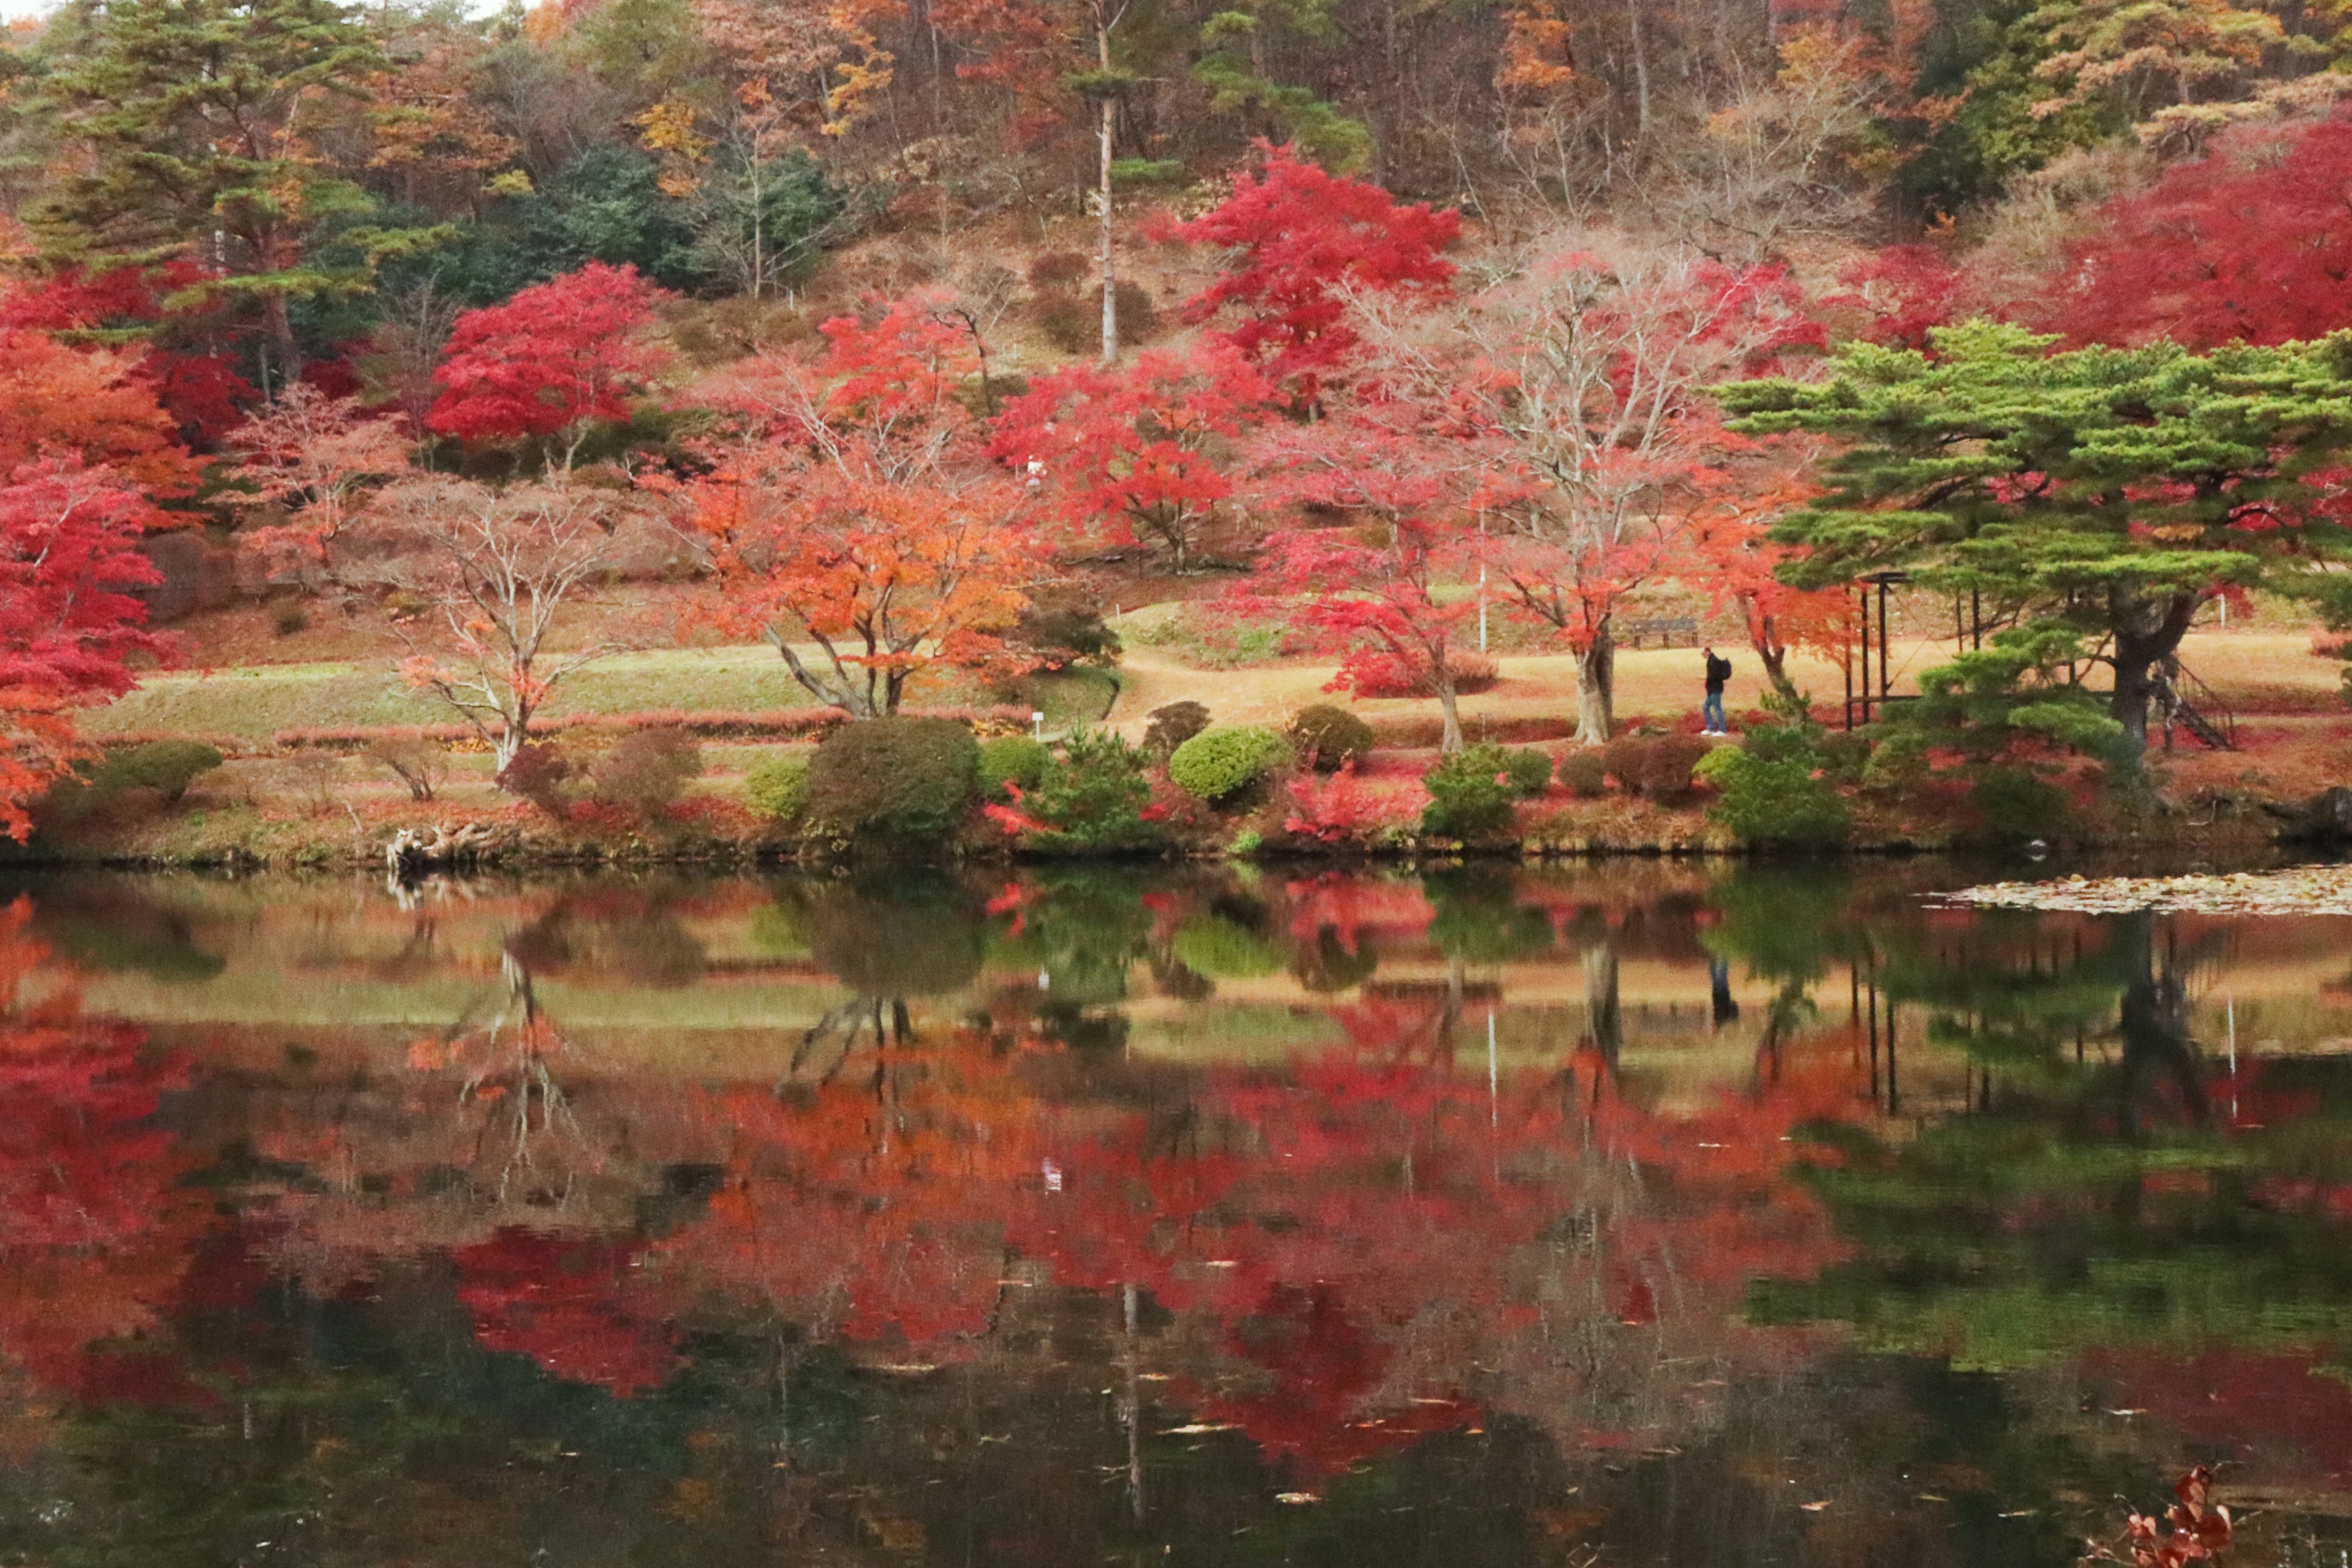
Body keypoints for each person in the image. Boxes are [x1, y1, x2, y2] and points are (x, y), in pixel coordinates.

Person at [1701, 646, 1732, 735]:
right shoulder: (1711, 660)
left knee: (1717, 708)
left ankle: (1722, 729)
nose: (1702, 655)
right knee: (1706, 707)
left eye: (1703, 653)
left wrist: (1708, 678)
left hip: (1716, 689)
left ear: (1707, 651)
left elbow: (1715, 675)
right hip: (1712, 689)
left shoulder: (1713, 661)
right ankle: (1710, 727)